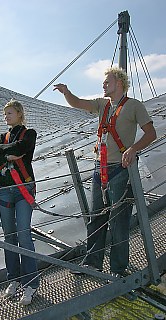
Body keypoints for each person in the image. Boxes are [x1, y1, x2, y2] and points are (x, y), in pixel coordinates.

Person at [53, 67, 156, 277]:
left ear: (119, 82)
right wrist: (66, 93)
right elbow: (78, 103)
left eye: (107, 81)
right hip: (100, 170)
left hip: (121, 169)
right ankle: (93, 263)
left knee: (119, 221)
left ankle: (118, 269)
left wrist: (133, 149)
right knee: (96, 218)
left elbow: (151, 133)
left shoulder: (134, 106)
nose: (103, 84)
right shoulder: (102, 104)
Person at [0, 99, 39, 305]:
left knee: (24, 235)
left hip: (23, 189)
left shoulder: (29, 133)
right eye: (5, 114)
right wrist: (7, 153)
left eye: (9, 113)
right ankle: (14, 280)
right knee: (9, 237)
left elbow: (23, 147)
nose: (6, 117)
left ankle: (31, 284)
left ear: (19, 114)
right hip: (4, 191)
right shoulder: (3, 136)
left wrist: (3, 151)